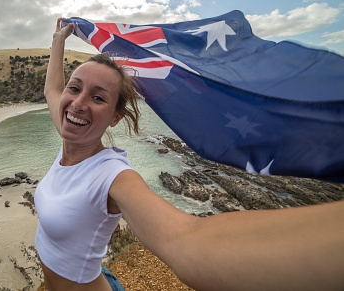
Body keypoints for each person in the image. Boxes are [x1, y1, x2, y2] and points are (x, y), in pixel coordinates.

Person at [34, 18, 344, 291]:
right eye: (75, 89)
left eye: (98, 97)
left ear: (115, 117)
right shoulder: (68, 133)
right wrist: (58, 40)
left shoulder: (111, 175)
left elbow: (184, 238)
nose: (77, 103)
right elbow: (52, 89)